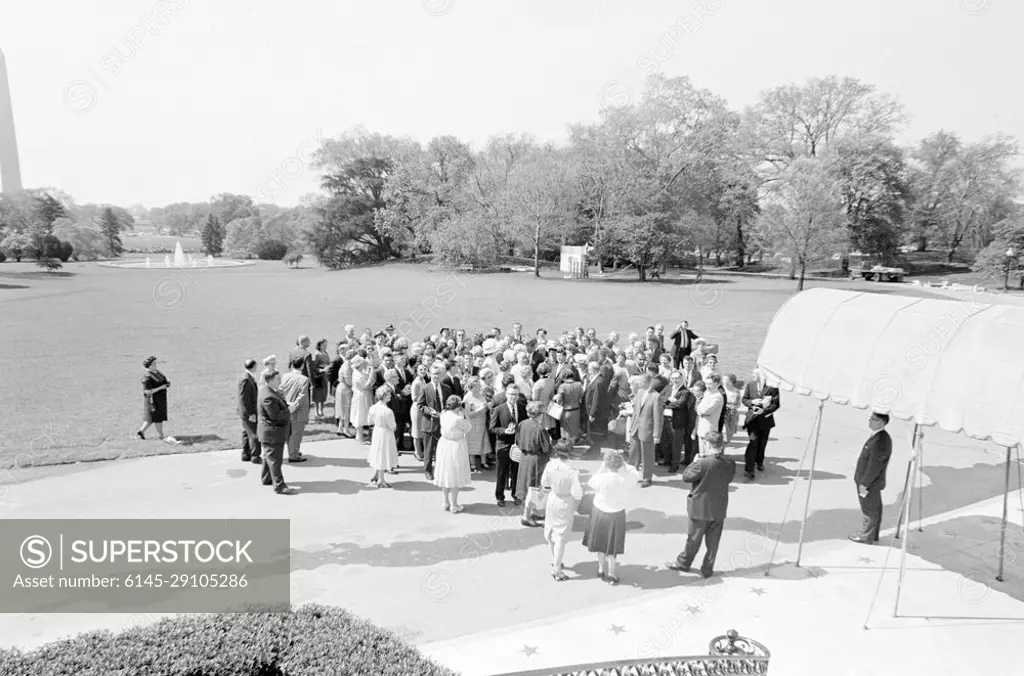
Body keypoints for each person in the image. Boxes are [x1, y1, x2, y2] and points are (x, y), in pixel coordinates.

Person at [666, 431, 735, 578]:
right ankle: (707, 569)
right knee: (713, 543)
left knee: (693, 539)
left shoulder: (702, 463)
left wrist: (694, 461)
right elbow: (728, 479)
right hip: (719, 507)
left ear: (707, 444)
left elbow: (686, 477)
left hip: (700, 508)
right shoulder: (730, 463)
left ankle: (684, 563)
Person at [583, 449, 641, 585]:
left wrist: (602, 467)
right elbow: (634, 473)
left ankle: (600, 569)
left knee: (601, 544)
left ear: (606, 464)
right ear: (620, 465)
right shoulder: (625, 478)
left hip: (599, 512)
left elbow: (591, 481)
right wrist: (624, 464)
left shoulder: (600, 478)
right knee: (612, 547)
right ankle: (612, 574)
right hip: (616, 514)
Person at [541, 439, 583, 581]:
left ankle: (554, 560)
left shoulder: (550, 465)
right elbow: (577, 492)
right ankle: (556, 569)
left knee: (551, 530)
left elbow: (543, 483)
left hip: (552, 498)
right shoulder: (572, 471)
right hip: (565, 501)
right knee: (560, 536)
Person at [849, 412, 893, 544]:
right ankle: (871, 534)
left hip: (869, 483)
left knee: (869, 509)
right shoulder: (878, 436)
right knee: (874, 508)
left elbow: (875, 465)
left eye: (873, 419)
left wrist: (864, 484)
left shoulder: (880, 440)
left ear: (880, 422)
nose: (870, 420)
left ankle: (866, 536)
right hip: (869, 481)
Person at [515, 400, 554, 527]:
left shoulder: (522, 424)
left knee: (527, 487)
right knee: (534, 488)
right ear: (540, 414)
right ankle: (526, 516)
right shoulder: (540, 428)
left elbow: (517, 441)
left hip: (525, 458)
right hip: (537, 460)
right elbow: (546, 448)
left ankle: (533, 512)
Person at [257, 369, 296, 494]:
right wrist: (290, 409)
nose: (280, 381)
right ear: (271, 380)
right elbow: (275, 415)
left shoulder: (267, 391)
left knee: (268, 457)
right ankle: (279, 486)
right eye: (278, 379)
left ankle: (267, 478)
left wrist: (285, 405)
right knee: (275, 460)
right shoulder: (268, 396)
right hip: (273, 433)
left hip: (269, 433)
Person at [490, 381, 527, 507]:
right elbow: (492, 428)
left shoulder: (522, 407)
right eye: (511, 394)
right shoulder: (499, 409)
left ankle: (515, 495)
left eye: (515, 395)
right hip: (503, 444)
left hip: (517, 444)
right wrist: (504, 431)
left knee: (517, 471)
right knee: (502, 472)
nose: (513, 397)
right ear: (506, 394)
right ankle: (500, 497)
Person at [434, 395, 472, 512]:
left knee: (445, 473)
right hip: (456, 445)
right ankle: (454, 504)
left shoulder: (443, 415)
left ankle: (445, 501)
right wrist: (466, 414)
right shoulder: (459, 419)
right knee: (455, 474)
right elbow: (468, 427)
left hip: (444, 444)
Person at [742, 368, 780, 480]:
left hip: (765, 420)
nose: (752, 375)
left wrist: (764, 410)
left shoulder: (772, 387)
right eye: (752, 373)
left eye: (755, 374)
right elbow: (744, 399)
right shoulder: (750, 385)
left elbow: (776, 404)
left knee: (762, 443)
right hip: (752, 419)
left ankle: (759, 461)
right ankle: (749, 469)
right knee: (753, 442)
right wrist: (752, 403)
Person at [628, 375, 666, 488]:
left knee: (647, 455)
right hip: (636, 428)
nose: (638, 384)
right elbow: (636, 411)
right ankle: (632, 475)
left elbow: (658, 417)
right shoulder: (639, 392)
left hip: (647, 430)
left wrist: (656, 434)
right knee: (633, 453)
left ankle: (646, 478)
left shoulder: (656, 396)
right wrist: (632, 426)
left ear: (648, 382)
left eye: (641, 382)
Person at [137, 355, 178, 443]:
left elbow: (164, 380)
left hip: (160, 399)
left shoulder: (157, 372)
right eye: (154, 363)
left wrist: (166, 384)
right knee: (157, 418)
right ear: (150, 365)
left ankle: (141, 432)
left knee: (151, 418)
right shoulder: (147, 376)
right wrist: (161, 387)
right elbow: (148, 391)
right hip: (153, 400)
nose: (156, 364)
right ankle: (161, 436)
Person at [279, 357, 310, 463]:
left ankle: (293, 451)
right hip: (298, 411)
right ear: (302, 365)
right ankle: (293, 455)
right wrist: (294, 406)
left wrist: (287, 405)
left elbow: (281, 391)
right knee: (296, 433)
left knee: (289, 432)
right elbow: (302, 396)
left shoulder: (285, 376)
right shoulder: (304, 379)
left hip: (286, 408)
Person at [367, 386, 399, 488]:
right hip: (386, 433)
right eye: (389, 394)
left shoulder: (373, 408)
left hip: (377, 431)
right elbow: (393, 426)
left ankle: (376, 474)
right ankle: (381, 479)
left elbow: (369, 422)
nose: (390, 396)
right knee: (383, 454)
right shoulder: (388, 411)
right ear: (384, 396)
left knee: (378, 452)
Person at [462, 376, 492, 472]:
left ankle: (484, 462)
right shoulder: (467, 397)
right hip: (473, 425)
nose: (480, 386)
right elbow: (469, 414)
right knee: (472, 444)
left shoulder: (480, 394)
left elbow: (484, 406)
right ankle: (473, 464)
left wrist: (488, 406)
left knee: (483, 442)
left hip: (482, 423)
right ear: (472, 386)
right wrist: (481, 409)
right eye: (478, 385)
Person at [238, 358, 261, 463]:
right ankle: (255, 456)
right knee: (254, 434)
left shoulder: (247, 377)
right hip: (248, 412)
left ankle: (246, 454)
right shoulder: (246, 379)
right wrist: (251, 413)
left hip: (245, 412)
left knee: (246, 433)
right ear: (253, 366)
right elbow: (244, 399)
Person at [695, 377, 724, 456]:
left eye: (710, 384)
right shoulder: (707, 393)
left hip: (709, 430)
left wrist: (700, 410)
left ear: (717, 384)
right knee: (702, 455)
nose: (707, 386)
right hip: (701, 429)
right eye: (706, 384)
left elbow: (706, 411)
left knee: (709, 456)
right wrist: (700, 410)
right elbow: (698, 407)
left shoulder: (717, 396)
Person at [554, 370, 584, 442]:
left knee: (566, 433)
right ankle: (572, 446)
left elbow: (559, 400)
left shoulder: (562, 386)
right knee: (574, 431)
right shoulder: (579, 384)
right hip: (576, 410)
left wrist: (554, 398)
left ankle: (568, 449)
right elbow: (581, 396)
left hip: (566, 411)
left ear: (564, 377)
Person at [350, 356, 373, 444]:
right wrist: (370, 378)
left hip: (363, 396)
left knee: (362, 415)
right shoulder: (357, 375)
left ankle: (360, 435)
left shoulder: (359, 372)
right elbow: (365, 386)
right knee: (360, 415)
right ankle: (360, 437)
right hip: (361, 396)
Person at [309, 338, 331, 420]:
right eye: (324, 345)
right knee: (317, 395)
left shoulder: (325, 353)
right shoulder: (316, 354)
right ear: (320, 345)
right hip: (318, 378)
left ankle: (321, 410)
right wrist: (322, 370)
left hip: (325, 377)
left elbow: (328, 363)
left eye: (326, 345)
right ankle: (316, 411)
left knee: (323, 394)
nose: (326, 346)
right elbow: (313, 367)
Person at [335, 349, 354, 438]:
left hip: (341, 388)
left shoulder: (345, 364)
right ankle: (346, 429)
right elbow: (349, 381)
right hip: (345, 389)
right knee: (346, 410)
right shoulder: (347, 366)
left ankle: (340, 428)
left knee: (341, 409)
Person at [722, 374, 742, 443]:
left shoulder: (736, 391)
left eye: (726, 380)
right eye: (723, 380)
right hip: (723, 413)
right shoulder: (721, 390)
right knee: (724, 430)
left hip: (733, 413)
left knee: (731, 432)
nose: (724, 382)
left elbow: (739, 404)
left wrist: (735, 407)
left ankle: (726, 440)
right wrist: (726, 406)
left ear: (731, 381)